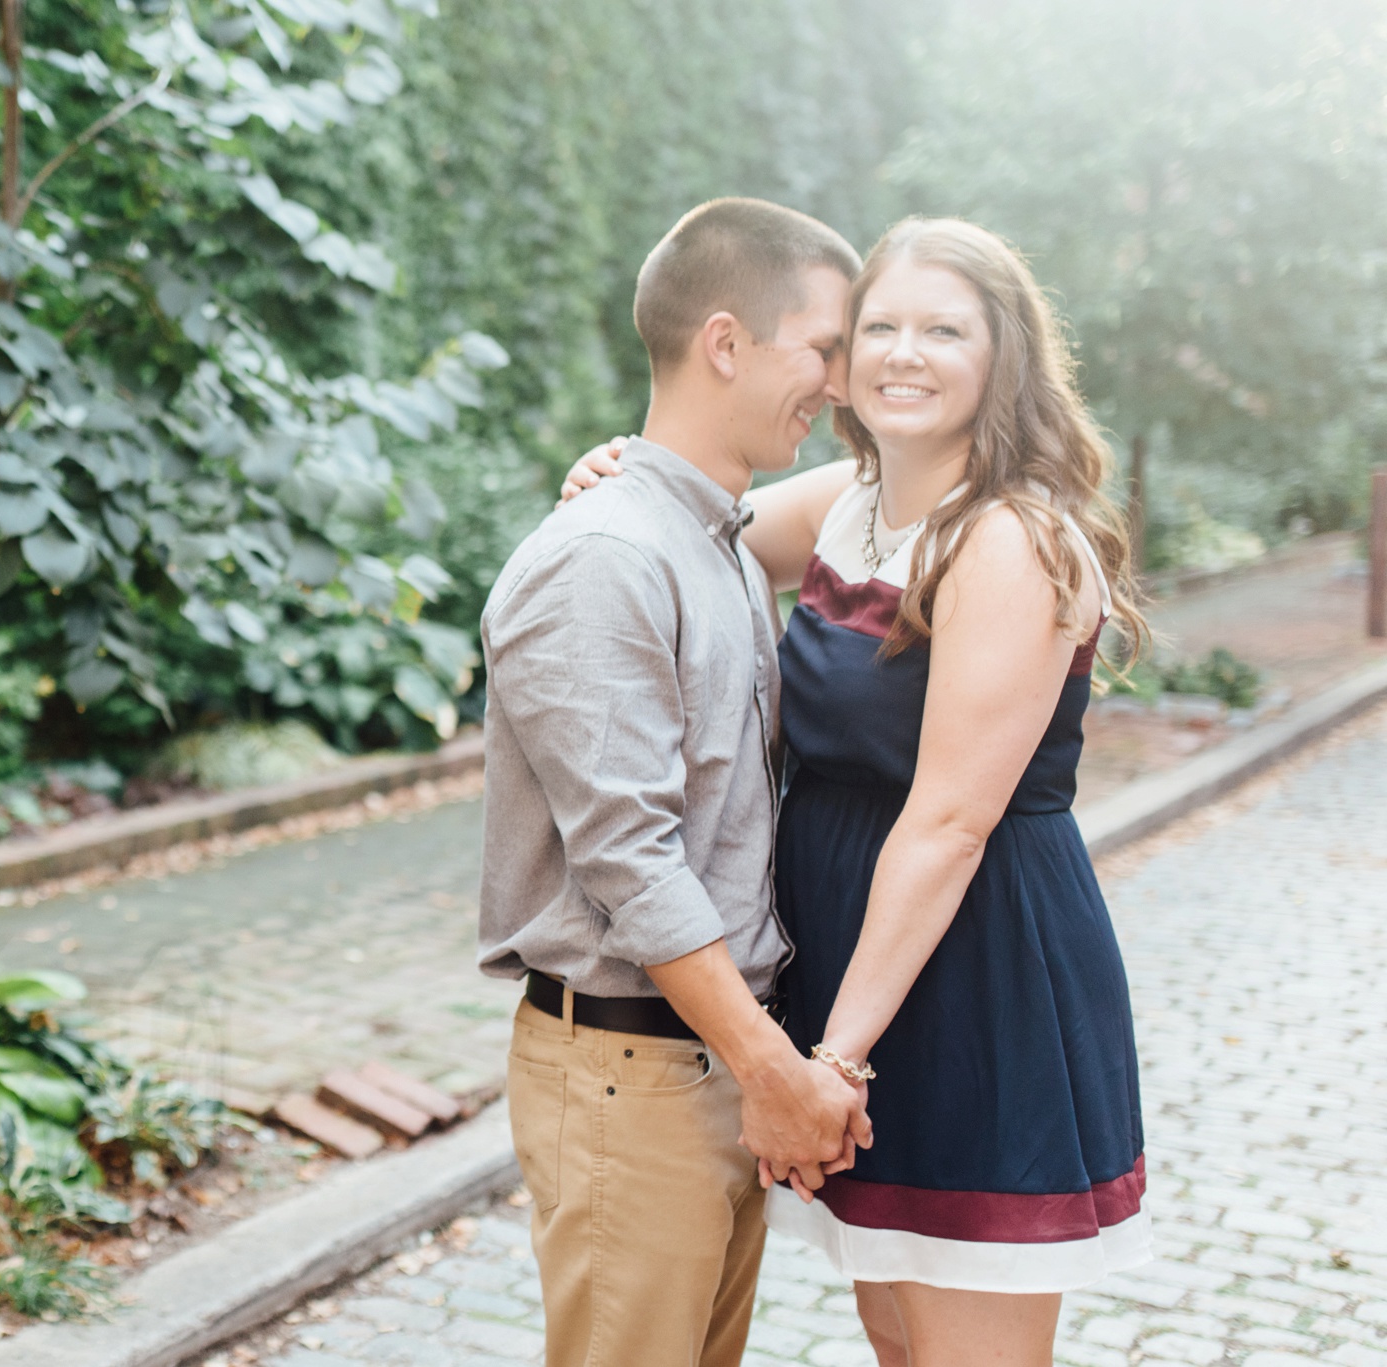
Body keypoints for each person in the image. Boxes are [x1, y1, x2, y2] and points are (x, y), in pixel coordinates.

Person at [560, 216, 1153, 1367]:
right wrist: (611, 469)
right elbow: (692, 518)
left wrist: (831, 1060)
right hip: (853, 965)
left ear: (1003, 358)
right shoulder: (852, 497)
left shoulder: (1007, 539)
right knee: (894, 1330)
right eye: (876, 325)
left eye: (943, 328)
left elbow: (947, 819)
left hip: (964, 969)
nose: (902, 352)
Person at [479, 197, 873, 1367]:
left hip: (701, 1062)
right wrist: (776, 1074)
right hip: (631, 1076)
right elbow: (629, 862)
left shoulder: (713, 542)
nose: (838, 383)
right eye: (823, 348)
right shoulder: (605, 557)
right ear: (722, 342)